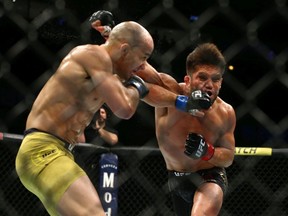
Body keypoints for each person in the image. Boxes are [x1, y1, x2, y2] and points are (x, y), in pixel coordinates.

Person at [15, 20, 203, 216]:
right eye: (143, 57)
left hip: (56, 153)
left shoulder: (109, 75)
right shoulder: (92, 55)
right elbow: (125, 108)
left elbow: (150, 87)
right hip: (43, 151)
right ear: (124, 50)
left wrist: (184, 103)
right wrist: (137, 85)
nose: (142, 66)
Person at [92, 11, 236, 216]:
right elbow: (137, 68)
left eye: (215, 79)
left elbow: (228, 156)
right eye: (202, 77)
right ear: (188, 80)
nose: (209, 85)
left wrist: (208, 152)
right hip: (175, 177)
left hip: (209, 176)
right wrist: (110, 36)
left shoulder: (226, 112)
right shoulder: (170, 91)